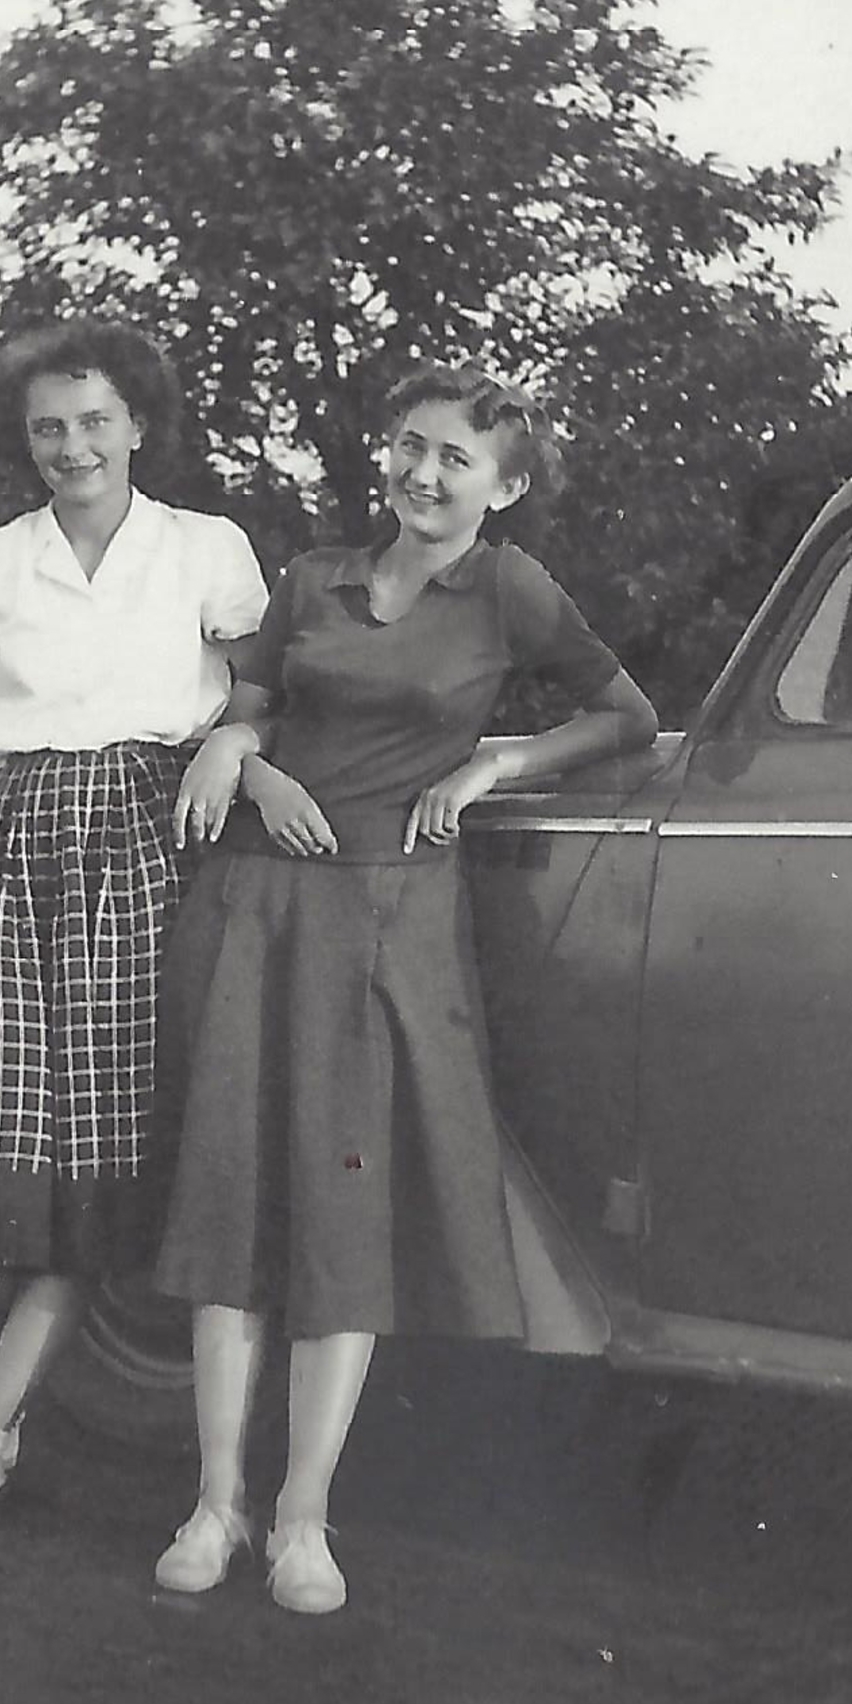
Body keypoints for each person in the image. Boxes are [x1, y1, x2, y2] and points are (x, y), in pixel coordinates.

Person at [148, 362, 658, 1611]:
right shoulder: (310, 577)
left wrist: (494, 764)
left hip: (389, 917)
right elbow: (251, 707)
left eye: (455, 460)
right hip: (257, 905)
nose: (423, 475)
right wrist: (245, 757)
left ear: (504, 488)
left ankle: (301, 1520)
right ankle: (212, 1504)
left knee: (342, 1214)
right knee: (230, 1201)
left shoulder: (510, 590)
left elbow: (626, 715)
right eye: (410, 447)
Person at [0, 318, 267, 1531]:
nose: (73, 446)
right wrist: (28, 828)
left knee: (96, 1166)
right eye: (49, 427)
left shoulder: (205, 548)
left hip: (155, 853)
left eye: (94, 420)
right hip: (20, 863)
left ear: (137, 425)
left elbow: (264, 694)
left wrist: (223, 747)